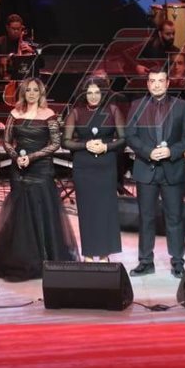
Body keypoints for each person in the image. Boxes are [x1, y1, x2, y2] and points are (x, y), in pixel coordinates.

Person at [0, 78, 77, 280]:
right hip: (19, 169)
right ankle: (21, 257)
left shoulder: (49, 114)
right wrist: (16, 157)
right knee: (20, 213)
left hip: (41, 169)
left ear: (41, 93)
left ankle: (46, 256)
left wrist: (32, 157)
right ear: (23, 93)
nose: (32, 93)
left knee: (42, 209)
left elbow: (55, 143)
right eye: (28, 90)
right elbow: (7, 141)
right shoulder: (14, 114)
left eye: (35, 90)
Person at [126, 68, 185, 277]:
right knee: (146, 218)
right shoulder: (136, 105)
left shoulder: (181, 106)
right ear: (147, 84)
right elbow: (130, 135)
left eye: (160, 80)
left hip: (172, 169)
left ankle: (178, 262)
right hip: (145, 169)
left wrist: (171, 151)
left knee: (174, 218)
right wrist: (148, 152)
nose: (156, 84)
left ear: (168, 83)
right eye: (152, 81)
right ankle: (145, 261)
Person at [63, 77, 126, 261]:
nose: (93, 96)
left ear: (103, 93)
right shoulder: (76, 112)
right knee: (87, 211)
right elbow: (65, 141)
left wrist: (106, 146)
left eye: (97, 92)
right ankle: (89, 254)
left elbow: (123, 139)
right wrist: (85, 145)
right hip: (84, 167)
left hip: (106, 166)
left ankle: (105, 254)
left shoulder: (112, 110)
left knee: (106, 211)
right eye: (89, 93)